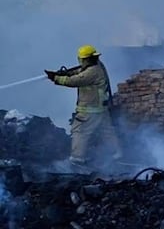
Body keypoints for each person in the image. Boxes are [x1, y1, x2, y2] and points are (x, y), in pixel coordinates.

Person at [46, 44, 122, 172]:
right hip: (100, 109)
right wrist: (64, 73)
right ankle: (117, 154)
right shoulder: (97, 66)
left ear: (84, 59)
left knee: (80, 132)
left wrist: (56, 78)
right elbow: (79, 72)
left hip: (89, 111)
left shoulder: (93, 72)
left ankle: (77, 160)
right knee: (107, 132)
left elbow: (75, 81)